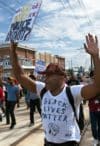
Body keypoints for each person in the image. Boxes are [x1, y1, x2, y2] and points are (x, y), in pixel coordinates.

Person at [10, 33, 100, 146]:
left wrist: (95, 57)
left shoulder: (72, 92)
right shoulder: (42, 89)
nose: (45, 79)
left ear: (62, 77)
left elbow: (97, 87)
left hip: (69, 143)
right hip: (48, 143)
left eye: (50, 75)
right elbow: (20, 76)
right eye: (45, 75)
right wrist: (12, 52)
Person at [88, 70, 100, 146]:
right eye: (92, 76)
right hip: (92, 108)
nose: (94, 78)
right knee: (93, 126)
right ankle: (95, 139)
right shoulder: (89, 86)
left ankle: (99, 138)